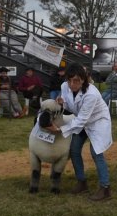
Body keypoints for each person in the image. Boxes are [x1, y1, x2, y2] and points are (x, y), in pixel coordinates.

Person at [45, 62, 113, 201]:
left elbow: (82, 119)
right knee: (74, 150)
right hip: (81, 121)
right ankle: (82, 182)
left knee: (96, 153)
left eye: (76, 80)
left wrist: (59, 129)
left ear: (83, 79)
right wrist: (61, 102)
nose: (72, 84)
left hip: (97, 122)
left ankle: (105, 188)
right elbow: (68, 104)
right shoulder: (65, 86)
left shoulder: (91, 94)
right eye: (69, 80)